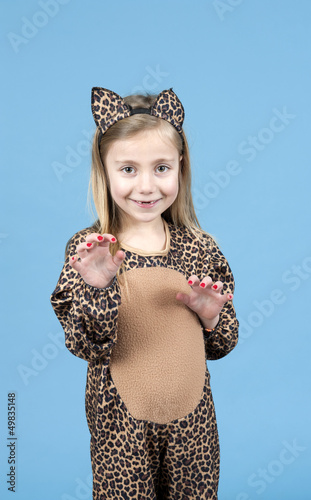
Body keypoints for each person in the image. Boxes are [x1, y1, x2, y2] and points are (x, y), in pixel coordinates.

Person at [50, 87, 239, 499]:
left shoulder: (200, 247)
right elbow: (86, 345)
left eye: (161, 168)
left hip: (194, 427)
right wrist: (97, 289)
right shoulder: (89, 249)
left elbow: (224, 343)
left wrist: (211, 317)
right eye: (129, 169)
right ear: (104, 170)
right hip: (120, 426)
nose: (147, 186)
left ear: (180, 168)